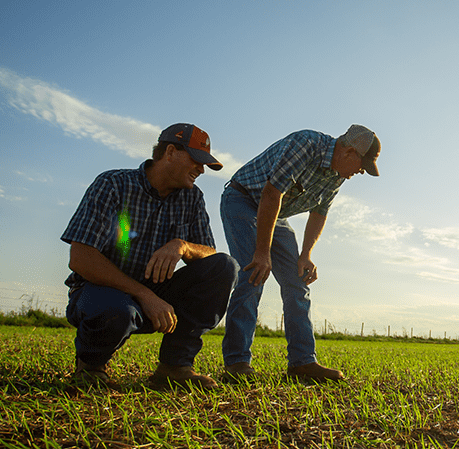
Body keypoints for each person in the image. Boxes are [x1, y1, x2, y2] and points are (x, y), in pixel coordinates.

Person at [61, 123, 239, 390]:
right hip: (102, 291)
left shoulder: (192, 198)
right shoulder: (112, 184)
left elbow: (209, 253)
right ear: (170, 152)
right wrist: (145, 295)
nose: (201, 170)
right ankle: (91, 366)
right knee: (115, 311)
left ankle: (175, 367)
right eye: (196, 160)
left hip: (158, 293)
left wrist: (182, 246)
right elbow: (81, 258)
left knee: (224, 266)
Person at [219, 124, 381, 383]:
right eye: (361, 165)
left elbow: (320, 213)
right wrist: (262, 252)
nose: (360, 171)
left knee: (298, 283)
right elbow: (272, 193)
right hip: (244, 199)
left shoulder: (337, 174)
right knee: (254, 275)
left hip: (276, 213)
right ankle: (237, 362)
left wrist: (306, 254)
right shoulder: (305, 144)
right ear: (349, 151)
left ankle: (302, 362)